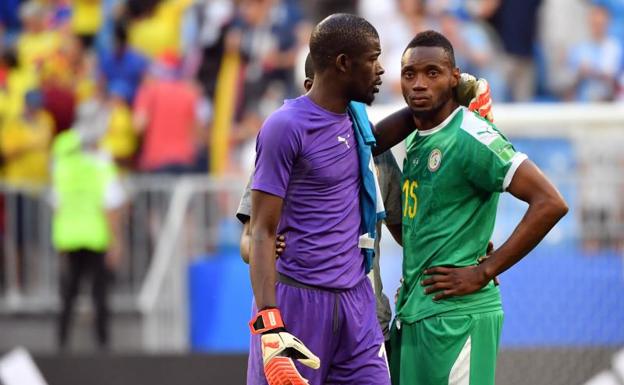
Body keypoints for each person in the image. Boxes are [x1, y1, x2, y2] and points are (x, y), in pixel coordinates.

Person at [374, 31, 568, 385]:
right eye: (409, 74)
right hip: (416, 313)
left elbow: (550, 202)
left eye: (432, 73)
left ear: (454, 76)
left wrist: (484, 269)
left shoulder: (471, 136)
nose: (419, 84)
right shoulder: (419, 140)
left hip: (458, 317)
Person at [247, 13, 391, 385]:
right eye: (373, 58)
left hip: (357, 303)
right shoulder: (285, 126)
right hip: (299, 302)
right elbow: (261, 232)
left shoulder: (355, 121)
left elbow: (384, 136)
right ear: (343, 63)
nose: (381, 69)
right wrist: (270, 326)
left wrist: (449, 102)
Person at [52, 129, 125, 351]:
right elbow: (110, 209)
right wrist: (116, 241)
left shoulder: (63, 169)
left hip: (69, 238)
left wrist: (60, 245)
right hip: (96, 237)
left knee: (68, 295)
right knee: (99, 294)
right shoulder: (101, 169)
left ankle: (61, 345)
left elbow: (57, 207)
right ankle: (103, 345)